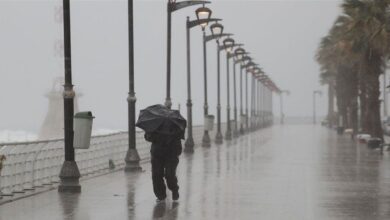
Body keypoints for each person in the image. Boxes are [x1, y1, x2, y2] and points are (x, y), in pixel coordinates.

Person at [145, 132, 183, 202]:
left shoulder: (175, 126)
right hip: (157, 154)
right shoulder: (154, 125)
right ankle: (161, 195)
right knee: (157, 175)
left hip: (171, 154)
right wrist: (153, 136)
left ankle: (174, 189)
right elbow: (147, 137)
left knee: (170, 175)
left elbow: (179, 138)